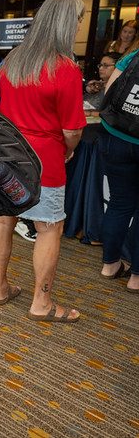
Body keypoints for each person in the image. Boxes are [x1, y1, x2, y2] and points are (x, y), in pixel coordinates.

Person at [0, 0, 87, 321]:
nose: (78, 27)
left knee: (4, 220)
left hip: (6, 155)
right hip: (43, 159)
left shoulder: (14, 58)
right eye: (77, 20)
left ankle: (0, 288)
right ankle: (41, 303)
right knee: (49, 229)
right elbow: (72, 130)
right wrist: (69, 147)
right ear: (64, 24)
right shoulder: (66, 68)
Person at [97, 47, 139, 292]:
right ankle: (136, 277)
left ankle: (110, 264)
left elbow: (109, 91)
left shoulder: (132, 56)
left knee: (119, 202)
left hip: (115, 136)